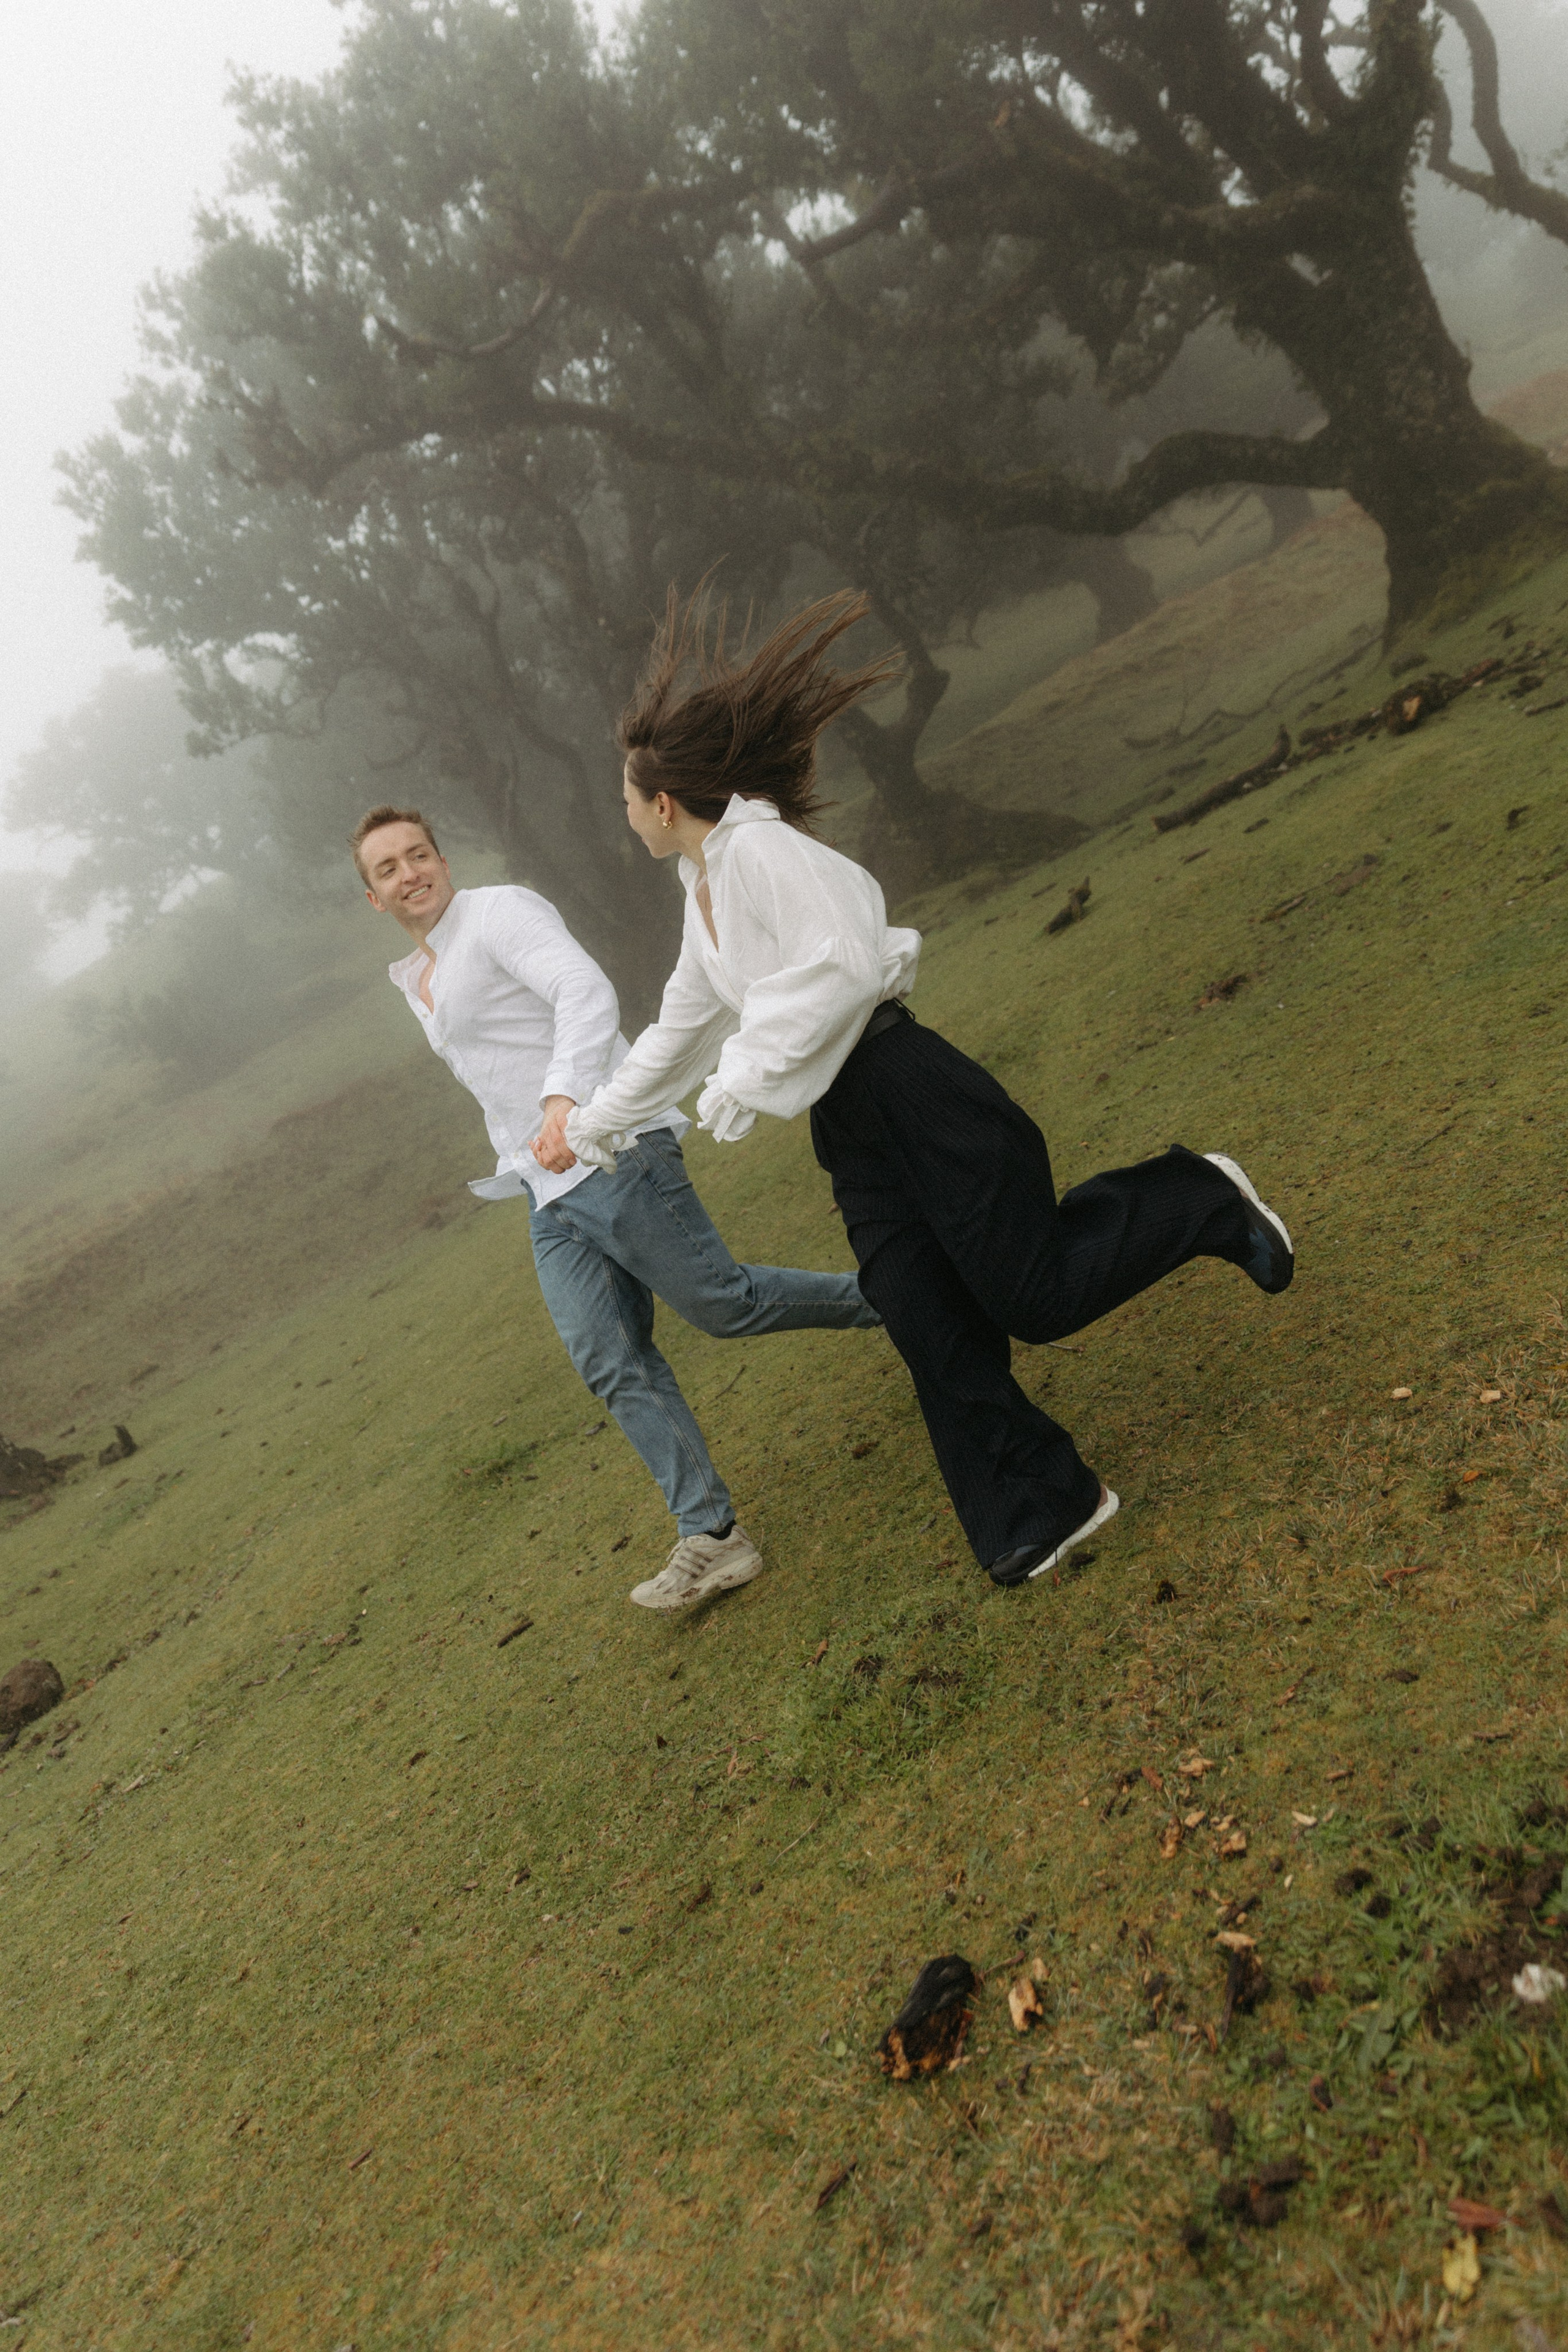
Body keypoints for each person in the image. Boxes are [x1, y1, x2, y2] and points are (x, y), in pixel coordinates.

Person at [559, 592, 1295, 1589]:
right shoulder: (703, 897)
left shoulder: (765, 852)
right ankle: (1045, 1508)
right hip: (852, 1128)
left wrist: (749, 1069)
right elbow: (678, 1030)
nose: (623, 815)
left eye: (625, 798)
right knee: (920, 1312)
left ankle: (1199, 1192)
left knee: (1034, 1295)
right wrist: (594, 1125)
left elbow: (845, 964)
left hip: (912, 1088)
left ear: (662, 803)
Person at [352, 803, 881, 1611]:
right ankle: (713, 1536)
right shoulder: (419, 975)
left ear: (443, 861)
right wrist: (525, 1156)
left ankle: (907, 1295)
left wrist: (565, 1097)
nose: (409, 873)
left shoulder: (497, 914)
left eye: (418, 855)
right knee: (609, 1358)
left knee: (726, 1305)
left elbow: (581, 988)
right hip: (545, 1186)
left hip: (610, 1148)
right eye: (387, 869)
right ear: (373, 898)